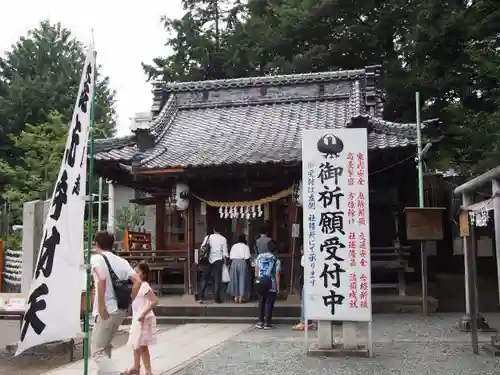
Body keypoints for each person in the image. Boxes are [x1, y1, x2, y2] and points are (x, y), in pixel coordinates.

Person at [90, 231, 141, 375]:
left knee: (97, 351)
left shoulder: (96, 259)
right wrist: (130, 299)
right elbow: (137, 281)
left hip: (106, 310)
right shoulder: (122, 261)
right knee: (105, 346)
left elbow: (102, 278)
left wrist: (101, 306)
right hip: (120, 309)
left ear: (96, 244)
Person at [124, 262, 158, 375]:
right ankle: (136, 367)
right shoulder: (136, 286)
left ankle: (148, 371)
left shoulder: (144, 286)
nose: (135, 273)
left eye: (138, 272)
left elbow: (154, 301)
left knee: (143, 345)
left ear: (143, 274)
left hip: (143, 317)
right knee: (135, 343)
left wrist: (143, 313)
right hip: (137, 317)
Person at [195, 226, 228, 304]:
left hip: (207, 260)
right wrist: (225, 263)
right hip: (218, 261)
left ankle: (201, 297)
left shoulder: (208, 237)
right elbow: (225, 253)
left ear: (214, 229)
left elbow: (202, 247)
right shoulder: (223, 239)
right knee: (217, 280)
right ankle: (217, 298)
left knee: (204, 279)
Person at [255, 239, 281, 329]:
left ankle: (260, 322)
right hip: (271, 282)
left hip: (260, 281)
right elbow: (277, 274)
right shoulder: (276, 259)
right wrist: (278, 286)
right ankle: (267, 323)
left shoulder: (259, 257)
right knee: (269, 303)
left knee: (261, 302)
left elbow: (256, 271)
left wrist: (258, 280)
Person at [293, 246, 316, 331]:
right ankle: (314, 322)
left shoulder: (304, 257)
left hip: (307, 282)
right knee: (314, 302)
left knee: (304, 303)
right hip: (315, 283)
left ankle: (303, 322)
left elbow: (303, 269)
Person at [227, 234, 251, 303]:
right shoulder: (246, 247)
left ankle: (235, 297)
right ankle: (241, 297)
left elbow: (231, 256)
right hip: (243, 262)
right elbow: (247, 257)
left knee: (234, 279)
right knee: (242, 279)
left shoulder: (234, 246)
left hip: (234, 263)